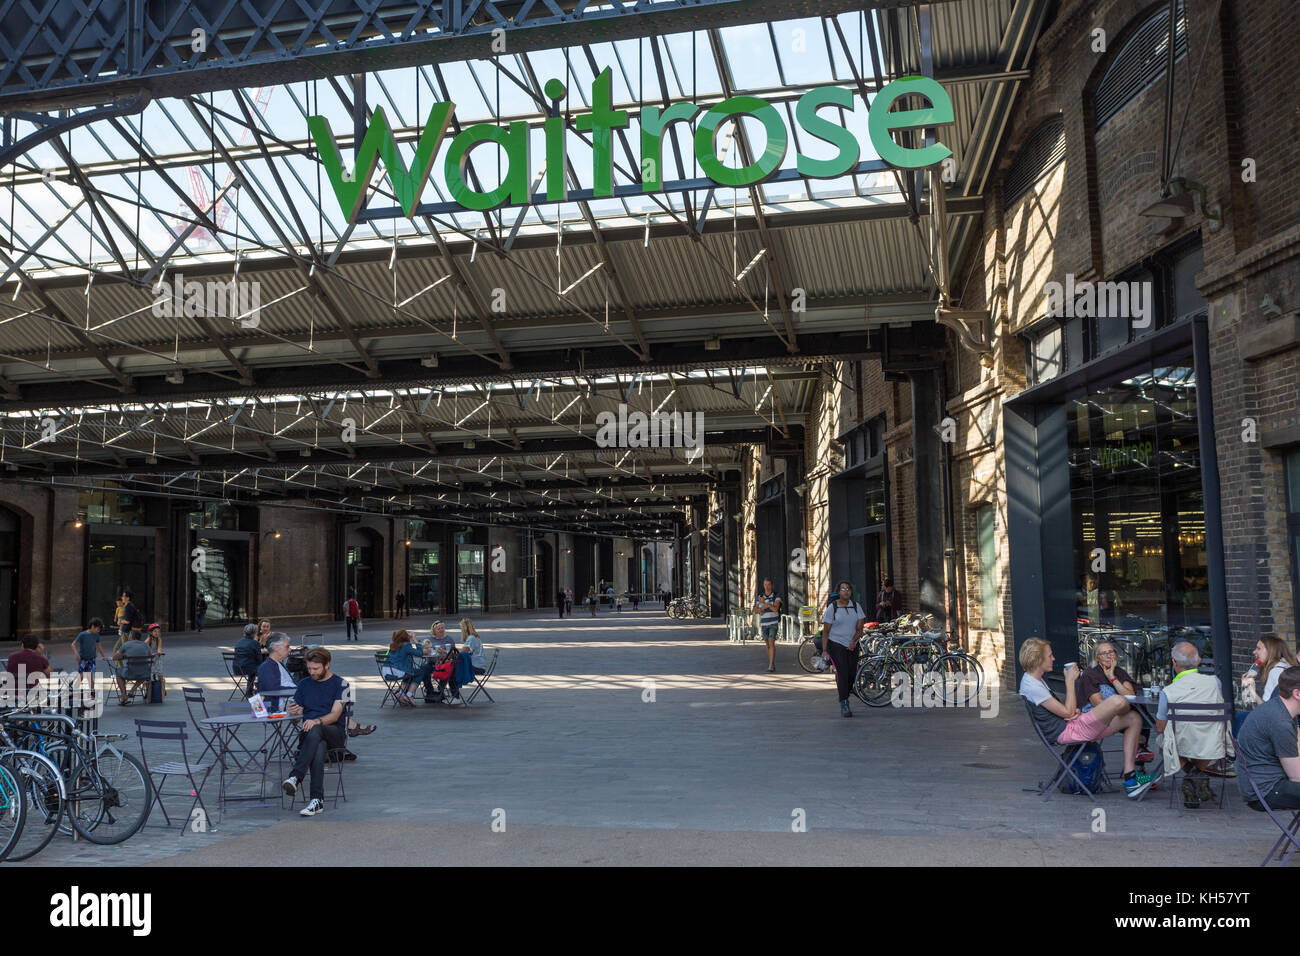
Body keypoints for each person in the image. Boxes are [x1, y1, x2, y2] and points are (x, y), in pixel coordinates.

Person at [1017, 637, 1153, 798]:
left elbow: (1065, 711)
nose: (1053, 658)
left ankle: (1131, 780)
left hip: (1071, 725)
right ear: (1038, 659)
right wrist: (1069, 682)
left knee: (1134, 718)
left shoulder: (1035, 681)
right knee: (1117, 700)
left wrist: (1073, 712)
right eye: (1050, 656)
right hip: (1067, 732)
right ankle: (1117, 716)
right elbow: (1066, 712)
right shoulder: (1032, 685)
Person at [1153, 641, 1231, 808]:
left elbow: (1160, 728)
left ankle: (1192, 774)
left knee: (1162, 741)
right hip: (1213, 744)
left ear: (1174, 663)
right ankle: (1197, 776)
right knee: (1210, 738)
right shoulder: (1215, 682)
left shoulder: (1168, 691)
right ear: (1199, 661)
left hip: (1183, 744)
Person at [282, 648, 347, 817]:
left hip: (335, 734)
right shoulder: (303, 684)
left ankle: (296, 776)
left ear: (327, 665)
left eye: (316, 669)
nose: (311, 672)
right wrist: (293, 714)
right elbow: (296, 720)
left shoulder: (342, 684)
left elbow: (335, 715)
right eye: (309, 668)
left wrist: (316, 721)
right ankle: (316, 801)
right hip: (310, 737)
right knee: (318, 745)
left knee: (317, 730)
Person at [1237, 666, 1300, 811]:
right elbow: (1297, 777)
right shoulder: (1280, 722)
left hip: (1262, 783)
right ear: (1297, 693)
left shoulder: (1280, 708)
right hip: (1267, 791)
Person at [821, 581, 866, 717]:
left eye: (848, 589)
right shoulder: (832, 608)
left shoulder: (856, 607)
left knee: (852, 673)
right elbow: (826, 631)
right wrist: (824, 650)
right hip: (836, 644)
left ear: (851, 592)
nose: (846, 591)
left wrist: (853, 641)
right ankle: (844, 702)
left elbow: (860, 629)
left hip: (852, 644)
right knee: (843, 672)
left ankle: (845, 693)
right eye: (843, 589)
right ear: (839, 592)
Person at [386, 629, 435, 707]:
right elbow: (419, 653)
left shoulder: (392, 645)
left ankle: (401, 693)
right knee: (420, 672)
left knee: (410, 673)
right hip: (398, 672)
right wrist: (415, 640)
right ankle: (409, 695)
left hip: (387, 672)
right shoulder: (405, 645)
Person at [112, 631, 153, 705]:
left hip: (130, 673)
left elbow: (115, 657)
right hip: (145, 673)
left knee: (118, 673)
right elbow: (150, 655)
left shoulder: (126, 644)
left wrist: (124, 655)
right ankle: (133, 689)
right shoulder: (145, 645)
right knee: (143, 671)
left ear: (131, 637)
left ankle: (124, 695)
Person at [69, 618, 105, 695]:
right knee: (81, 675)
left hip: (91, 659)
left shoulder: (96, 635)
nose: (98, 631)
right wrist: (76, 653)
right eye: (97, 629)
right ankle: (73, 687)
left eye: (99, 630)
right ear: (92, 626)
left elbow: (99, 645)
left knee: (90, 676)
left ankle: (92, 691)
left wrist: (103, 656)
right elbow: (73, 644)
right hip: (82, 659)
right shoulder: (82, 634)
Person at [755, 578, 782, 673]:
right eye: (765, 584)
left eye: (768, 584)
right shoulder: (760, 596)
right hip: (764, 623)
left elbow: (775, 609)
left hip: (773, 623)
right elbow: (756, 611)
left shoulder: (776, 596)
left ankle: (770, 665)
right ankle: (772, 663)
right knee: (767, 644)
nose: (767, 586)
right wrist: (763, 606)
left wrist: (766, 603)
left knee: (771, 643)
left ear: (771, 585)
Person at [233, 623, 265, 697]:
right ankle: (260, 691)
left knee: (253, 669)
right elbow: (259, 659)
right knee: (264, 669)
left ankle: (249, 690)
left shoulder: (239, 642)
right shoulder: (254, 643)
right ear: (255, 633)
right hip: (248, 668)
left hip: (237, 668)